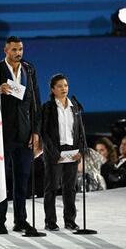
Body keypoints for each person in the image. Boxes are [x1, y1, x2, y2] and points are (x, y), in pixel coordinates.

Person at [0, 36, 42, 234]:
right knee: (1, 179)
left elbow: (35, 101)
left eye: (20, 49)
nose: (18, 53)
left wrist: (36, 131)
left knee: (23, 179)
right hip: (2, 134)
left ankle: (21, 220)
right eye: (14, 49)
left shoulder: (29, 69)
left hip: (25, 133)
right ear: (5, 50)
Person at [41, 73, 84, 231]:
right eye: (59, 86)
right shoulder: (48, 107)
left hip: (72, 151)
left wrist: (81, 151)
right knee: (51, 188)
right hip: (55, 152)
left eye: (65, 85)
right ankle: (50, 222)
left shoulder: (75, 107)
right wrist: (54, 153)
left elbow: (79, 131)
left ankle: (70, 220)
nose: (63, 88)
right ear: (53, 89)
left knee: (70, 188)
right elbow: (44, 133)